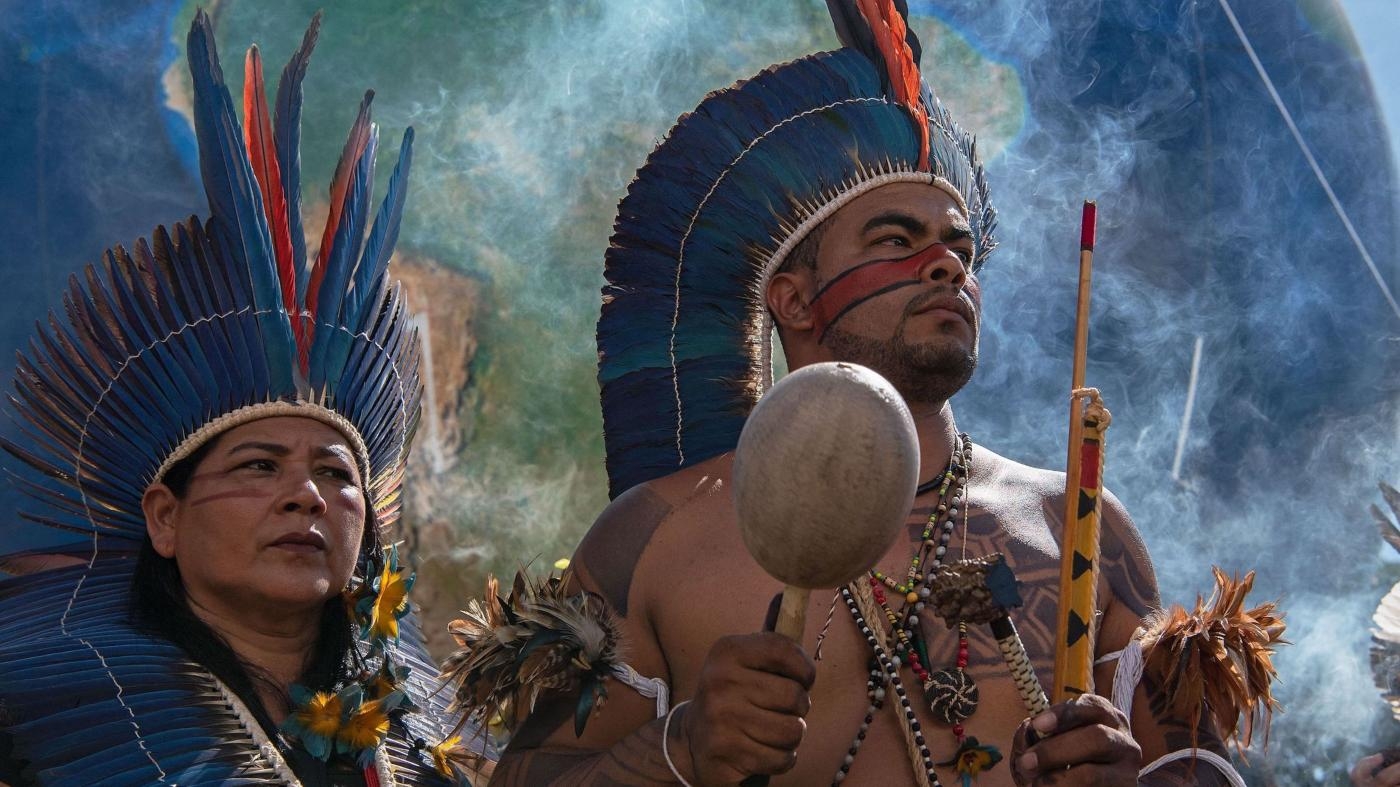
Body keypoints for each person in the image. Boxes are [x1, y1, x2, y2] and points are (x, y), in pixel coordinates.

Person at [488, 2, 1241, 785]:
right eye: (897, 241)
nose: (948, 266)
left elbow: (1203, 767)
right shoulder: (655, 541)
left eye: (959, 249)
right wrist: (677, 748)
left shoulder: (1076, 524)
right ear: (793, 299)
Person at [0, 11, 485, 785]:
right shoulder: (40, 733)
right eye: (259, 465)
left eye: (336, 473)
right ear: (164, 516)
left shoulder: (420, 753)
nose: (307, 496)